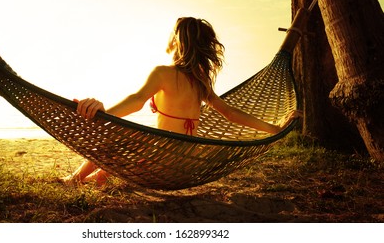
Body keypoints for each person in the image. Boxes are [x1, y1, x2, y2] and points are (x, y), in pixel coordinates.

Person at [61, 17, 301, 186]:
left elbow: (136, 101)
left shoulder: (163, 73)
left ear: (177, 41)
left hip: (159, 160)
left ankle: (74, 179)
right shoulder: (201, 81)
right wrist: (275, 129)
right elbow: (230, 113)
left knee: (111, 140)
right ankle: (97, 178)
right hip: (185, 166)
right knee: (109, 171)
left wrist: (103, 115)